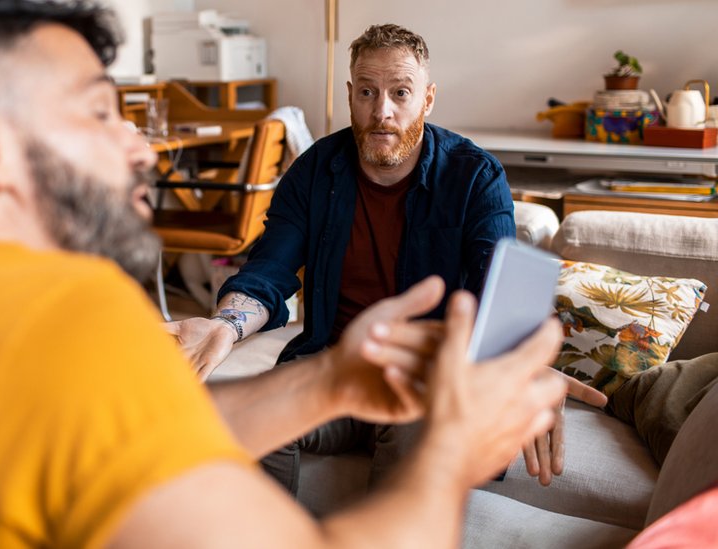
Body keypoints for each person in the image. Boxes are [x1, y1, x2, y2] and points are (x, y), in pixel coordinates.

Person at [0, 2, 568, 547]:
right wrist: (452, 445)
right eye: (101, 112)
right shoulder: (71, 320)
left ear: (426, 97)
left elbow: (126, 439)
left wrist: (329, 382)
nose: (139, 146)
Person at [169, 23, 606, 493]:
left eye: (401, 92)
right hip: (332, 365)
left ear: (428, 98)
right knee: (250, 420)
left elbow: (493, 294)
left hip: (426, 374)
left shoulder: (475, 177)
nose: (382, 111)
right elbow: (269, 269)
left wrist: (515, 359)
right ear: (350, 94)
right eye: (367, 92)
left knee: (420, 435)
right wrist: (226, 324)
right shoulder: (315, 170)